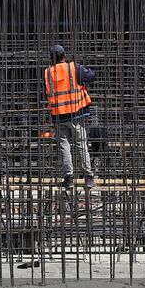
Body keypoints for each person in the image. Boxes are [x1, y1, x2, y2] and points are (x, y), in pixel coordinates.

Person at [44, 44, 96, 187]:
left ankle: (68, 179)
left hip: (59, 116)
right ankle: (89, 177)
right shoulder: (73, 67)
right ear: (64, 56)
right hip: (76, 114)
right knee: (81, 145)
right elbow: (91, 76)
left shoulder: (48, 72)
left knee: (64, 147)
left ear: (51, 58)